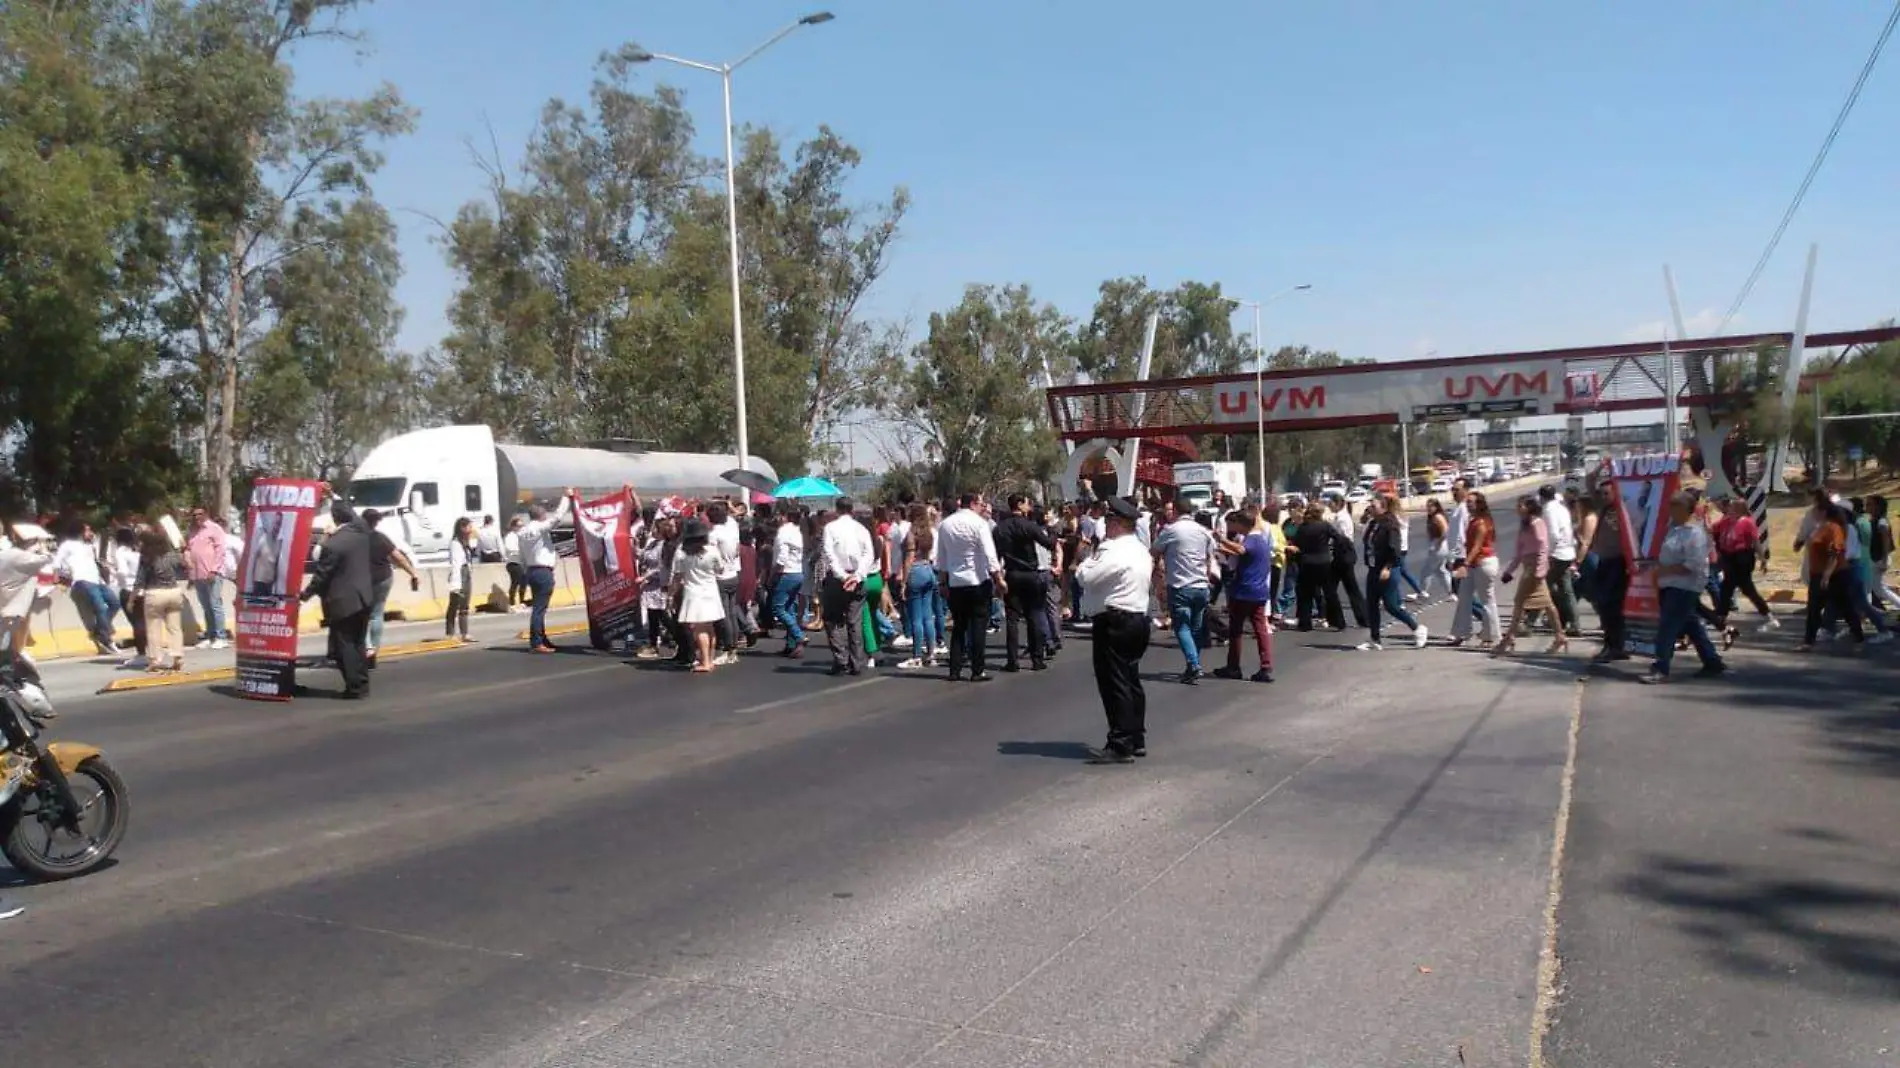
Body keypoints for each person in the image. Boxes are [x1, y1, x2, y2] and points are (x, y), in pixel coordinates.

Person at [1076, 497, 1154, 764]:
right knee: (1130, 680)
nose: (1106, 526)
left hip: (1116, 620)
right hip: (1137, 617)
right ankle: (1136, 736)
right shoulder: (1140, 549)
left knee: (1114, 682)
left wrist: (1087, 557)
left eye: (1109, 521)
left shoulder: (1113, 550)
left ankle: (1121, 742)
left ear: (1119, 524)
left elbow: (1085, 577)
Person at [1642, 492, 1728, 683]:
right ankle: (1712, 661)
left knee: (1667, 626)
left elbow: (1693, 565)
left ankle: (1660, 667)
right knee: (1692, 624)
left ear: (1686, 509)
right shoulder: (1674, 529)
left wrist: (1665, 571)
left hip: (1684, 586)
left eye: (1675, 507)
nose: (1671, 511)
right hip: (1669, 584)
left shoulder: (1695, 534)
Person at [301, 505, 376, 698]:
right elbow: (357, 518)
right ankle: (362, 684)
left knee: (344, 646)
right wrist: (333, 495)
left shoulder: (333, 545)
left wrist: (304, 595)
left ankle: (354, 687)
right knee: (358, 643)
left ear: (334, 519)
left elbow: (321, 576)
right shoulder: (361, 535)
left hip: (343, 602)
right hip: (364, 598)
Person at [935, 492, 1004, 682]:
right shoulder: (979, 523)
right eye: (980, 503)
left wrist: (942, 582)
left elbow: (941, 557)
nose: (983, 507)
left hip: (956, 582)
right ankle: (977, 669)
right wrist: (998, 579)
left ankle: (954, 670)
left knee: (959, 627)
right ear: (972, 504)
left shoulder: (945, 524)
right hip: (977, 581)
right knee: (978, 626)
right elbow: (990, 555)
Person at [1153, 501, 1217, 683]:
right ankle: (1192, 666)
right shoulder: (1203, 531)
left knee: (1182, 627)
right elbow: (1210, 556)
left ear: (1177, 511)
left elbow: (1154, 551)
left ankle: (1194, 664)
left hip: (1180, 585)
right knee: (1195, 628)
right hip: (1201, 586)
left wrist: (1159, 578)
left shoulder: (1171, 531)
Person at [1211, 506, 1275, 682]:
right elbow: (1242, 552)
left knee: (1236, 630)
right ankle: (1266, 665)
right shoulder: (1260, 540)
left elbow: (1241, 550)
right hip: (1259, 591)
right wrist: (1224, 549)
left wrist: (1221, 539)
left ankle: (1233, 666)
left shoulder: (1252, 539)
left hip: (1245, 591)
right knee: (1260, 629)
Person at [1496, 495, 1566, 656]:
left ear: (1529, 507)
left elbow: (1543, 547)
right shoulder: (1524, 525)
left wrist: (1540, 570)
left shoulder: (1537, 523)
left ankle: (1508, 638)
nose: (1517, 508)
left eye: (1520, 506)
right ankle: (1560, 636)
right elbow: (1519, 552)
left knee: (1519, 602)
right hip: (1528, 566)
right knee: (1547, 604)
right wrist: (1509, 571)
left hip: (1535, 569)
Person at [994, 494, 1056, 672]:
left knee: (1012, 618)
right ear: (1020, 505)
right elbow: (1049, 544)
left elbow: (995, 555)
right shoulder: (1029, 526)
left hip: (1012, 573)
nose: (1030, 506)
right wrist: (1051, 529)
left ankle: (1012, 661)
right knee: (1033, 615)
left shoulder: (1000, 528)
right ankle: (1037, 659)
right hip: (1030, 573)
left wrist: (997, 577)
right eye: (1027, 503)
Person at [1360, 495, 1428, 651]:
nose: (1371, 507)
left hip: (1388, 569)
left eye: (1374, 505)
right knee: (1371, 604)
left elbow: (1395, 550)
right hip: (1373, 568)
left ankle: (1417, 628)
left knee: (1391, 605)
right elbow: (1367, 540)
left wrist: (1387, 567)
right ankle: (1375, 639)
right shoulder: (1373, 524)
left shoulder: (1390, 524)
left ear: (1383, 507)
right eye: (1370, 505)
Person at [821, 497, 877, 677]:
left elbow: (829, 554)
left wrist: (843, 576)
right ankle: (856, 661)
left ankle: (841, 659)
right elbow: (869, 554)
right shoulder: (861, 529)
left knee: (832, 619)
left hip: (839, 578)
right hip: (856, 576)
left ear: (837, 510)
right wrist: (858, 575)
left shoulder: (830, 528)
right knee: (855, 621)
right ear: (851, 510)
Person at [1800, 502, 1867, 651]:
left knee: (1846, 607)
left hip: (1835, 575)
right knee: (1813, 609)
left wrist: (1826, 575)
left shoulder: (1834, 528)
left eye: (1816, 511)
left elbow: (1835, 552)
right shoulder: (1819, 528)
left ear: (1824, 512)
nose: (1813, 513)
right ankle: (1808, 642)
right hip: (1817, 574)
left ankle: (1859, 638)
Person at [360, 509, 420, 667]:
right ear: (376, 522)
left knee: (362, 615)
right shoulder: (381, 538)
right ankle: (374, 649)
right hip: (383, 578)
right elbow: (398, 557)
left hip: (362, 580)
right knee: (377, 614)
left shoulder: (356, 538)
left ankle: (367, 648)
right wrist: (412, 573)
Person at [53, 520, 121, 656]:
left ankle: (99, 632)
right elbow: (57, 562)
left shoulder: (89, 546)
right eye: (87, 530)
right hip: (82, 580)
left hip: (97, 580)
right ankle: (105, 638)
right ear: (79, 532)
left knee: (115, 603)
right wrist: (56, 578)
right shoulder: (68, 545)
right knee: (100, 608)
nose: (90, 533)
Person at [517, 496, 572, 652]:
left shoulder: (522, 532)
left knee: (538, 607)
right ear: (541, 516)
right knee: (539, 609)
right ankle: (537, 642)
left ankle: (542, 638)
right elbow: (557, 517)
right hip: (543, 571)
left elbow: (521, 555)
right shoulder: (539, 528)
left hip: (531, 570)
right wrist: (566, 498)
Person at [1448, 491, 1503, 648]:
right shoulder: (1474, 520)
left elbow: (1477, 547)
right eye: (1467, 502)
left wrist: (1464, 564)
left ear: (1479, 504)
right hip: (1474, 564)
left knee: (1487, 601)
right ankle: (1461, 633)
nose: (1468, 504)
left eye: (1471, 502)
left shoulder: (1481, 523)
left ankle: (1491, 636)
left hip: (1483, 564)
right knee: (1464, 598)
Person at [671, 518, 724, 674]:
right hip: (711, 590)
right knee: (709, 627)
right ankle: (709, 659)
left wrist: (671, 595)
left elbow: (677, 576)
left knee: (699, 629)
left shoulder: (681, 552)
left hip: (693, 592)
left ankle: (705, 661)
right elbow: (720, 569)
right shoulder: (712, 550)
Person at [1713, 498, 1774, 630]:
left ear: (1740, 508)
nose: (1730, 508)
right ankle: (1720, 617)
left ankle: (1769, 616)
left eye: (1733, 506)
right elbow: (1714, 531)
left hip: (1742, 557)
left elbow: (1755, 541)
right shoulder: (1726, 521)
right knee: (1728, 587)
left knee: (1743, 587)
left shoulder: (1747, 522)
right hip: (1729, 557)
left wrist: (1763, 559)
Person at [1588, 482, 1631, 661]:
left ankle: (1615, 646)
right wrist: (1603, 467)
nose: (1604, 497)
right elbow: (1590, 481)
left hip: (1618, 563)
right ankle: (1613, 645)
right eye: (1602, 494)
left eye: (1607, 493)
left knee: (1611, 605)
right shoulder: (1603, 509)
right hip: (1604, 561)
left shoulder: (1623, 511)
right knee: (1603, 604)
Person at [898, 503, 942, 670]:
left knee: (915, 617)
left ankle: (916, 655)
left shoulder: (911, 534)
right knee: (927, 615)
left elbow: (909, 559)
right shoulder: (929, 534)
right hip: (928, 569)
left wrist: (903, 582)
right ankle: (930, 654)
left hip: (916, 571)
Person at [1290, 505, 1345, 631]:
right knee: (1330, 593)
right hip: (1324, 561)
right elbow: (1338, 538)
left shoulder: (1303, 528)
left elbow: (1296, 543)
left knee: (1305, 594)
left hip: (1307, 562)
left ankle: (1305, 623)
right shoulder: (1325, 526)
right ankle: (1338, 621)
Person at [185, 505, 232, 648]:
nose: (197, 517)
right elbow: (189, 551)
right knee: (206, 606)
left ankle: (221, 636)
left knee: (215, 604)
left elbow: (220, 550)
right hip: (197, 575)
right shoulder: (192, 531)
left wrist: (214, 570)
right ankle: (211, 636)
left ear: (206, 514)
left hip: (212, 573)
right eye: (194, 515)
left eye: (199, 514)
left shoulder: (214, 528)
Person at [1540, 485, 1581, 637]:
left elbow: (1553, 535)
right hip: (1568, 552)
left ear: (1542, 497)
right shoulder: (1562, 508)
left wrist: (1548, 554)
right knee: (1566, 589)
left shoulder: (1548, 510)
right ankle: (1574, 624)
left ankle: (1535, 621)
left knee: (1542, 587)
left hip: (1556, 554)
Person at [770, 506, 808, 658]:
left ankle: (798, 636)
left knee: (778, 609)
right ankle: (791, 644)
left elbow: (782, 558)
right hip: (797, 572)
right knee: (789, 608)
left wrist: (773, 574)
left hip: (786, 573)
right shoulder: (797, 532)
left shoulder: (784, 532)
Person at [110, 526, 147, 669]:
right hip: (142, 588)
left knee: (136, 624)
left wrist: (111, 571)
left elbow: (123, 572)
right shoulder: (137, 551)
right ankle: (148, 652)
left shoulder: (120, 552)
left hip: (128, 589)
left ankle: (141, 654)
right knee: (143, 622)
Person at [445, 516, 477, 643]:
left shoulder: (466, 542)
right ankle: (450, 633)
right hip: (459, 574)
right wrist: (456, 582)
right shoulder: (455, 543)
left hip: (466, 572)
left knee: (464, 605)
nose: (471, 529)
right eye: (468, 526)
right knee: (454, 604)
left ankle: (465, 633)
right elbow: (456, 563)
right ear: (462, 528)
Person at [1421, 498, 1453, 603]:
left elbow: (1446, 531)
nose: (1428, 508)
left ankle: (1423, 592)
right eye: (1427, 506)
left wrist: (1437, 543)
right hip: (1438, 544)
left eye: (1431, 506)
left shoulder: (1438, 517)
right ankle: (1451, 592)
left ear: (1436, 506)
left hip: (1440, 546)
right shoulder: (1432, 517)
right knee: (1440, 570)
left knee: (1427, 570)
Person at [503, 516, 527, 611]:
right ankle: (512, 603)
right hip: (513, 562)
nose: (520, 527)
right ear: (513, 526)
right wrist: (520, 551)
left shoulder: (523, 536)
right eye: (518, 526)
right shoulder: (510, 536)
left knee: (524, 582)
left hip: (522, 562)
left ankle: (522, 602)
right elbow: (509, 548)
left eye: (522, 525)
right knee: (515, 582)